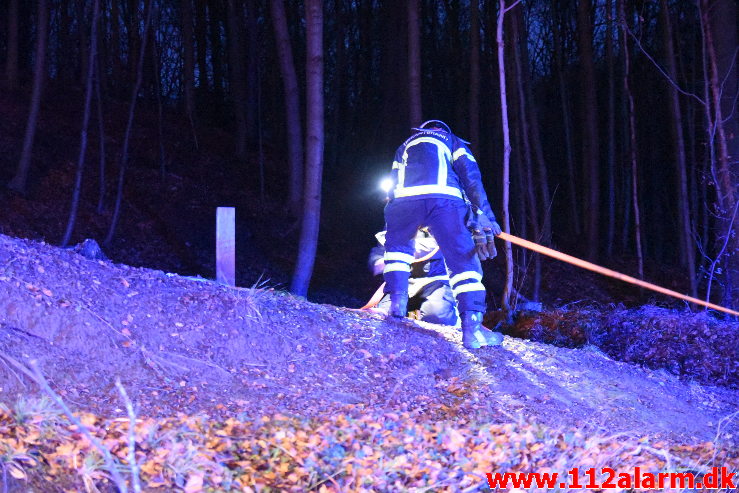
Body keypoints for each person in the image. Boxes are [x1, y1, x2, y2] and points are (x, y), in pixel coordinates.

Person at [382, 119, 503, 349]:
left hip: (403, 202)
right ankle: (473, 330)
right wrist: (485, 215)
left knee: (397, 252)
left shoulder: (406, 144)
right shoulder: (454, 141)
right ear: (442, 130)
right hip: (445, 202)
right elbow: (471, 179)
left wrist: (394, 215)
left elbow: (392, 184)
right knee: (463, 260)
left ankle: (395, 307)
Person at [367, 228, 458, 326]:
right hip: (403, 282)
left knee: (437, 315)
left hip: (438, 281)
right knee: (384, 315)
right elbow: (377, 262)